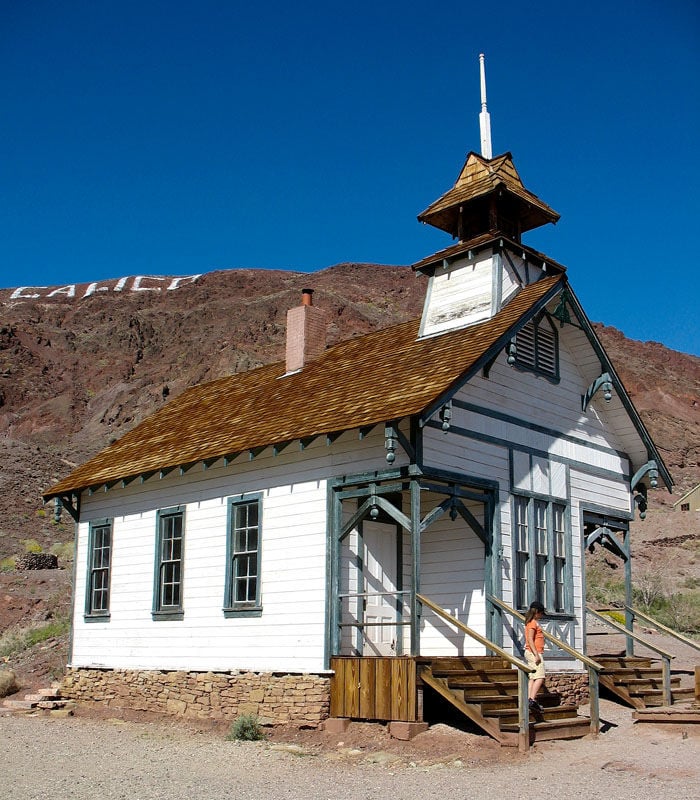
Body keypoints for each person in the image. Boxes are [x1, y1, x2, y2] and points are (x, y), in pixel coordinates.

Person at [524, 600, 546, 714]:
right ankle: (532, 699)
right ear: (536, 612)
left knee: (532, 677)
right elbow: (530, 640)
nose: (541, 616)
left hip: (533, 652)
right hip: (534, 652)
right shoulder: (532, 623)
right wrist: (536, 654)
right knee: (540, 676)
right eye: (541, 613)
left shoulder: (532, 622)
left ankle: (529, 699)